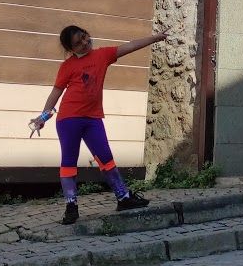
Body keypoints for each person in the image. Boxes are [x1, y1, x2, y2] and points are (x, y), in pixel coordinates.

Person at [29, 25, 167, 224]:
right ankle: (71, 206)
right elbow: (56, 93)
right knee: (69, 161)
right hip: (69, 120)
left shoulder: (103, 55)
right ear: (71, 49)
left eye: (85, 37)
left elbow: (130, 46)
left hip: (93, 119)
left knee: (106, 159)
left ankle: (123, 197)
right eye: (78, 43)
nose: (85, 43)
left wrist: (155, 38)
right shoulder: (67, 67)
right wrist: (42, 118)